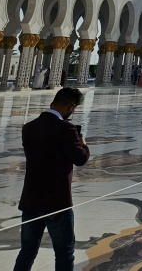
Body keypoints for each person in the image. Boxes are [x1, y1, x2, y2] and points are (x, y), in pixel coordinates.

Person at [13, 87, 90, 271]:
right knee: (64, 251)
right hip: (57, 201)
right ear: (71, 106)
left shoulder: (29, 127)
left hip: (31, 199)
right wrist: (83, 144)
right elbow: (80, 159)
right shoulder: (66, 128)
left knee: (27, 251)